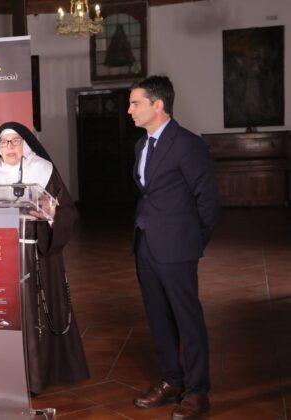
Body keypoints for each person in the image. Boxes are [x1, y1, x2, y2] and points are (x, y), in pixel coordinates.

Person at [0, 121, 89, 394]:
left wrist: (50, 213)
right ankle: (4, 372)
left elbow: (69, 212)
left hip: (36, 252)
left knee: (34, 311)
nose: (9, 147)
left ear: (25, 143)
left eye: (15, 141)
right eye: (3, 142)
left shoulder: (43, 170)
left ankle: (38, 374)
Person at [128, 75, 219, 420]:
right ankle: (171, 381)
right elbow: (149, 192)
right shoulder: (141, 146)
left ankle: (198, 392)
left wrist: (194, 241)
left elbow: (208, 202)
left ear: (158, 105)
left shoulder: (187, 144)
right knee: (158, 318)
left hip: (177, 247)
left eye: (136, 103)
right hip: (145, 244)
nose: (130, 110)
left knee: (187, 319)